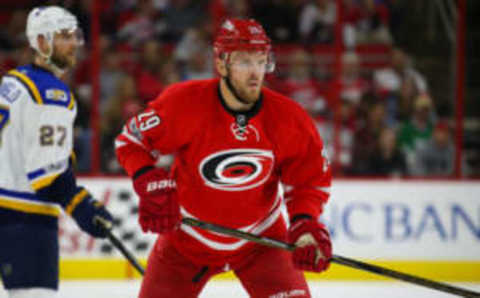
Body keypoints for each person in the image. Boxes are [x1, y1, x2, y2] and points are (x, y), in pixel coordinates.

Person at [115, 18, 332, 297]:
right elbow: (132, 141)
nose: (256, 72)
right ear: (221, 64)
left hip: (263, 242)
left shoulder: (289, 118)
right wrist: (147, 179)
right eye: (244, 62)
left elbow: (308, 179)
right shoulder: (184, 103)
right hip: (185, 244)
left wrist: (305, 224)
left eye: (261, 60)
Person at [0, 6, 113, 298]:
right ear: (40, 42)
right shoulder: (51, 95)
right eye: (64, 36)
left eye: (75, 35)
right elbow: (48, 177)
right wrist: (81, 205)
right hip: (25, 218)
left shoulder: (13, 81)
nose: (74, 42)